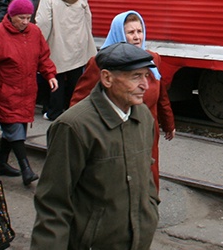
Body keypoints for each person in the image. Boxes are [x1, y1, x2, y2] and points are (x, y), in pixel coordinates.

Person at [31, 43, 165, 250]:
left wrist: (150, 210)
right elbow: (53, 198)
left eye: (147, 76)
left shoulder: (142, 117)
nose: (146, 85)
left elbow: (146, 175)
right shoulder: (75, 127)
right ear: (106, 78)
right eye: (136, 77)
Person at [70, 11, 176, 190]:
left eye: (139, 31)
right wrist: (74, 133)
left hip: (147, 131)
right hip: (114, 132)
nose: (136, 37)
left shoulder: (152, 59)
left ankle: (148, 212)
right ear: (119, 33)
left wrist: (169, 124)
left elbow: (161, 95)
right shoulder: (101, 63)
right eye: (131, 32)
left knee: (149, 175)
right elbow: (80, 99)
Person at [0, 0, 58, 185]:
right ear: (11, 16)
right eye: (21, 18)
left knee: (15, 128)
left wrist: (50, 75)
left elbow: (43, 57)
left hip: (27, 91)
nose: (25, 22)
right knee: (13, 126)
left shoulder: (35, 33)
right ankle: (26, 168)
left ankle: (2, 164)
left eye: (29, 18)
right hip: (4, 90)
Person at [35, 0, 96, 121]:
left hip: (57, 46)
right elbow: (87, 20)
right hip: (77, 46)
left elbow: (43, 23)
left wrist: (40, 44)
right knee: (76, 80)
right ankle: (74, 110)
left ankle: (55, 112)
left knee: (57, 80)